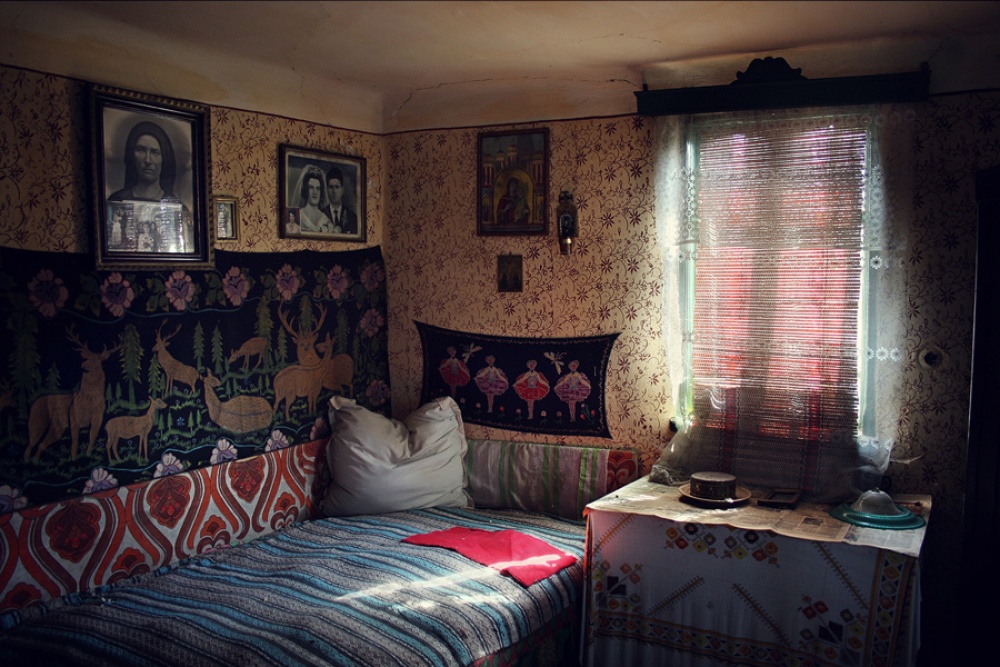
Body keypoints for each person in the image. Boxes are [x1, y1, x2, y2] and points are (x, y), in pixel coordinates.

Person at [109, 120, 193, 252]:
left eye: (155, 152)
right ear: (132, 155)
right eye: (141, 150)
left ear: (163, 159)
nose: (148, 160)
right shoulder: (117, 202)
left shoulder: (179, 209)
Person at [293, 165, 332, 233]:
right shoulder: (299, 216)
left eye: (318, 188)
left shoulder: (325, 219)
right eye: (311, 187)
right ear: (305, 190)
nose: (315, 192)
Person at [326, 167, 359, 234]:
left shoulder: (352, 217)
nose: (334, 191)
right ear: (327, 190)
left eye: (337, 187)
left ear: (342, 190)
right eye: (331, 187)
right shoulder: (322, 214)